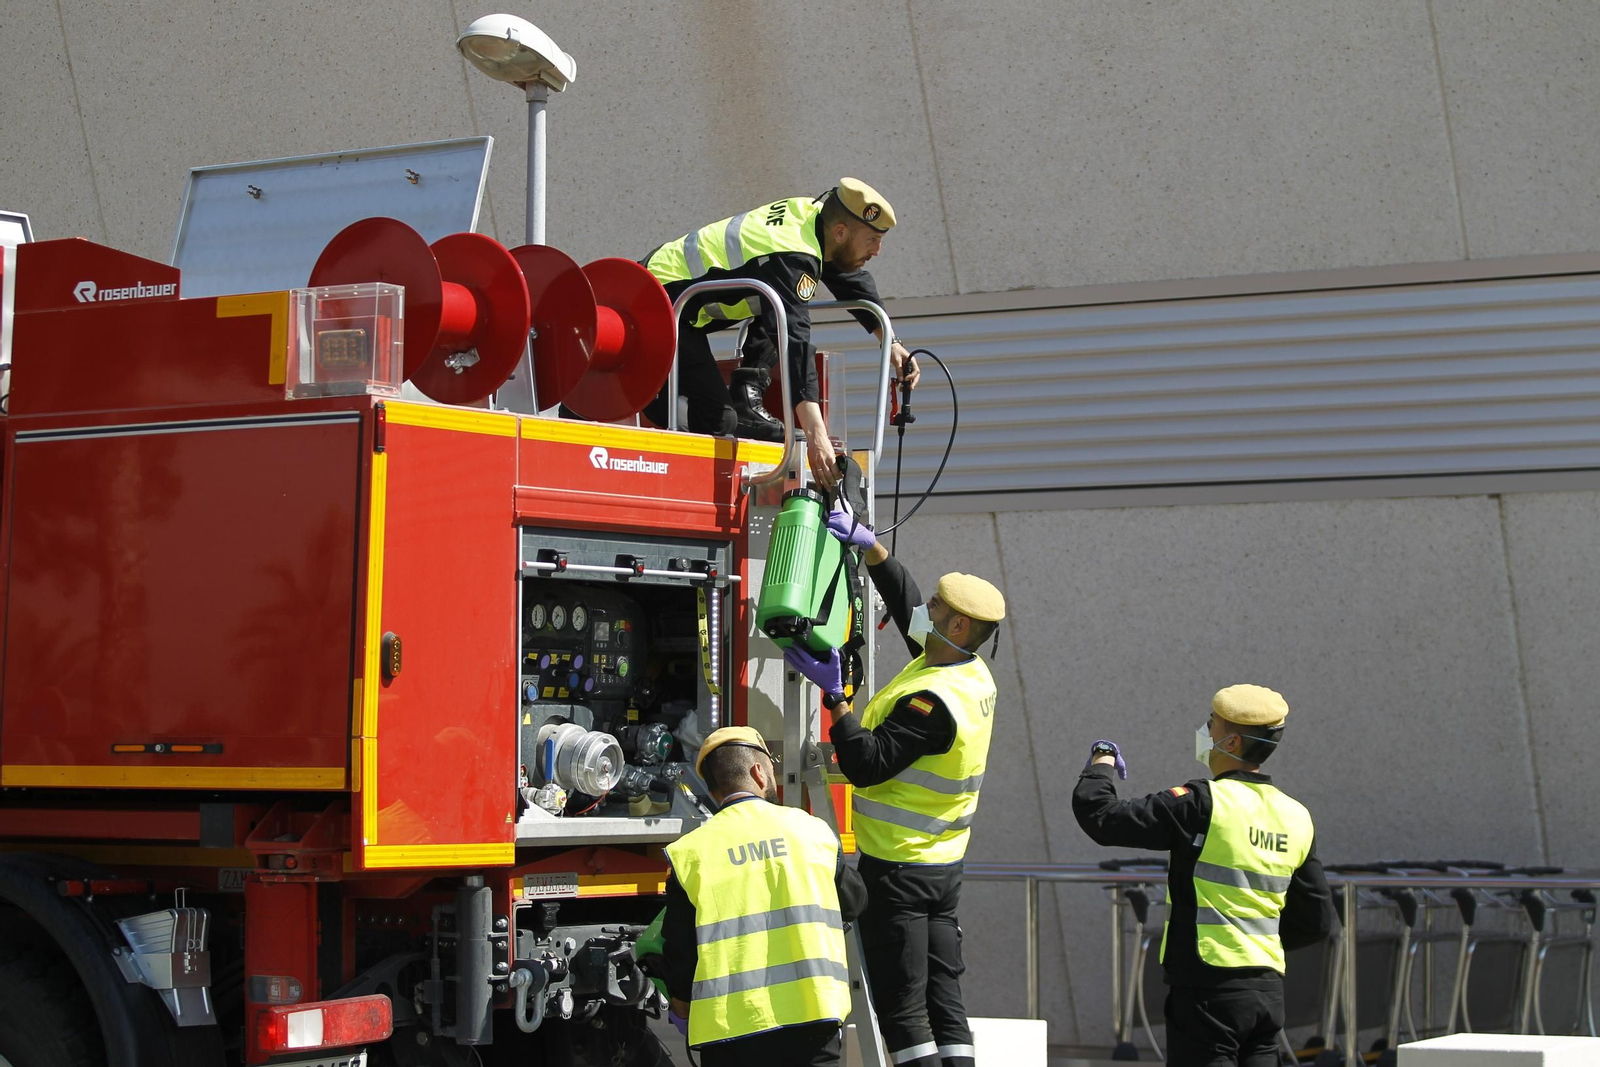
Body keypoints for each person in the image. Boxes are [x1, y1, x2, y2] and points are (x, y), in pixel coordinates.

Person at [784, 505, 1004, 1067]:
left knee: (903, 1006)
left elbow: (867, 764)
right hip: (941, 865)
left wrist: (837, 700)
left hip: (900, 870)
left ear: (958, 627)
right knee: (944, 999)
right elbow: (907, 606)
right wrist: (872, 549)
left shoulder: (933, 702)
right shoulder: (967, 671)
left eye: (938, 609)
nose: (923, 613)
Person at [1072, 685, 1338, 1067]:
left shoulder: (1202, 803)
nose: (1204, 732)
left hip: (1207, 988)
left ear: (1230, 740)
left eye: (1210, 725)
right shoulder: (1296, 815)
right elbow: (1317, 920)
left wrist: (1101, 763)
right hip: (1266, 989)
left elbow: (1103, 817)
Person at [640, 179, 917, 491]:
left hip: (674, 302)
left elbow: (849, 277)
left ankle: (746, 396)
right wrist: (817, 435)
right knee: (720, 422)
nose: (877, 251)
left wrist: (890, 342)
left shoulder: (814, 217)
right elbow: (795, 343)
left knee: (777, 306)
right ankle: (661, 408)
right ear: (841, 232)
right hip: (656, 305)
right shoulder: (792, 254)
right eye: (872, 240)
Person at [660, 726, 868, 1067]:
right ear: (759, 773)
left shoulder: (691, 853)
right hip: (814, 1017)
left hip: (731, 1034)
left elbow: (681, 951)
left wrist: (681, 1006)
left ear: (713, 792)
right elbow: (855, 902)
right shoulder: (813, 831)